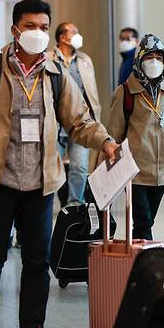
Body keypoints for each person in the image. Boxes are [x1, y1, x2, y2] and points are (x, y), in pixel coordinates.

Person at [0, 0, 118, 328]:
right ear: (15, 30)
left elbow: (79, 120)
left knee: (37, 261)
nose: (38, 33)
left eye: (44, 27)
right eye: (30, 26)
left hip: (42, 184)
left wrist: (104, 140)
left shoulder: (57, 75)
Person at [106, 34, 164, 240]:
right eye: (150, 57)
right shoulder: (125, 92)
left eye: (159, 58)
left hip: (162, 171)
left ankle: (135, 258)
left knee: (146, 221)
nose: (155, 62)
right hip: (135, 171)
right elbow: (114, 133)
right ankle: (145, 264)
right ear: (140, 60)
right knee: (143, 222)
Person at [50, 22, 102, 205]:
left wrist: (95, 120)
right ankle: (44, 204)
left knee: (79, 167)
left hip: (80, 123)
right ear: (62, 37)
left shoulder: (84, 60)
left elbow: (91, 92)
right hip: (54, 124)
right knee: (48, 168)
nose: (78, 35)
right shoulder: (48, 58)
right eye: (74, 32)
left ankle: (75, 205)